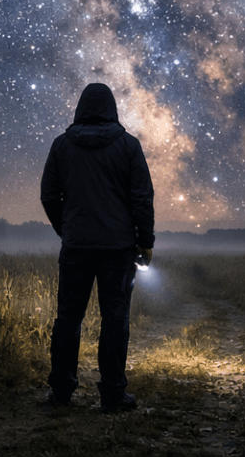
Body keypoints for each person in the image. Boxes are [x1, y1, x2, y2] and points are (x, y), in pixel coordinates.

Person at [40, 82, 155, 413]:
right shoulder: (129, 146)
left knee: (68, 319)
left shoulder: (62, 145)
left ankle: (61, 394)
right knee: (115, 320)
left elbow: (49, 195)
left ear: (80, 108)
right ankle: (113, 394)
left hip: (76, 247)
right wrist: (145, 243)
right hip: (118, 248)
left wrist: (69, 231)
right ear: (112, 108)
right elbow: (142, 198)